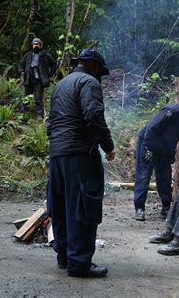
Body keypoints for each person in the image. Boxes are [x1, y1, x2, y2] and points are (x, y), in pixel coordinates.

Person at [46, 49, 115, 278]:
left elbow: (50, 124)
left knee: (61, 206)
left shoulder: (60, 85)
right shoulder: (89, 83)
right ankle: (80, 263)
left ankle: (64, 256)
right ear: (94, 65)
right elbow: (94, 116)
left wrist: (57, 146)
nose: (100, 78)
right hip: (79, 156)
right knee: (83, 207)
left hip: (57, 155)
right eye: (100, 73)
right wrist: (108, 146)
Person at [133, 101, 179, 221]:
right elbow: (152, 128)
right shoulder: (173, 111)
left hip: (163, 148)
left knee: (165, 177)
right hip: (148, 142)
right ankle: (139, 208)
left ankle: (166, 207)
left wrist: (170, 153)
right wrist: (148, 149)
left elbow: (174, 137)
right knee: (143, 176)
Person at [18, 38, 57, 119]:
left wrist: (48, 74)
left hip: (39, 80)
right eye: (34, 44)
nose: (36, 45)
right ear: (32, 45)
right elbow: (21, 64)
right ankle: (24, 114)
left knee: (38, 98)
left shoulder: (45, 55)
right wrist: (21, 71)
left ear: (40, 45)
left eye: (37, 44)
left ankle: (39, 115)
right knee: (26, 97)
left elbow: (54, 64)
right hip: (28, 78)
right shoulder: (28, 55)